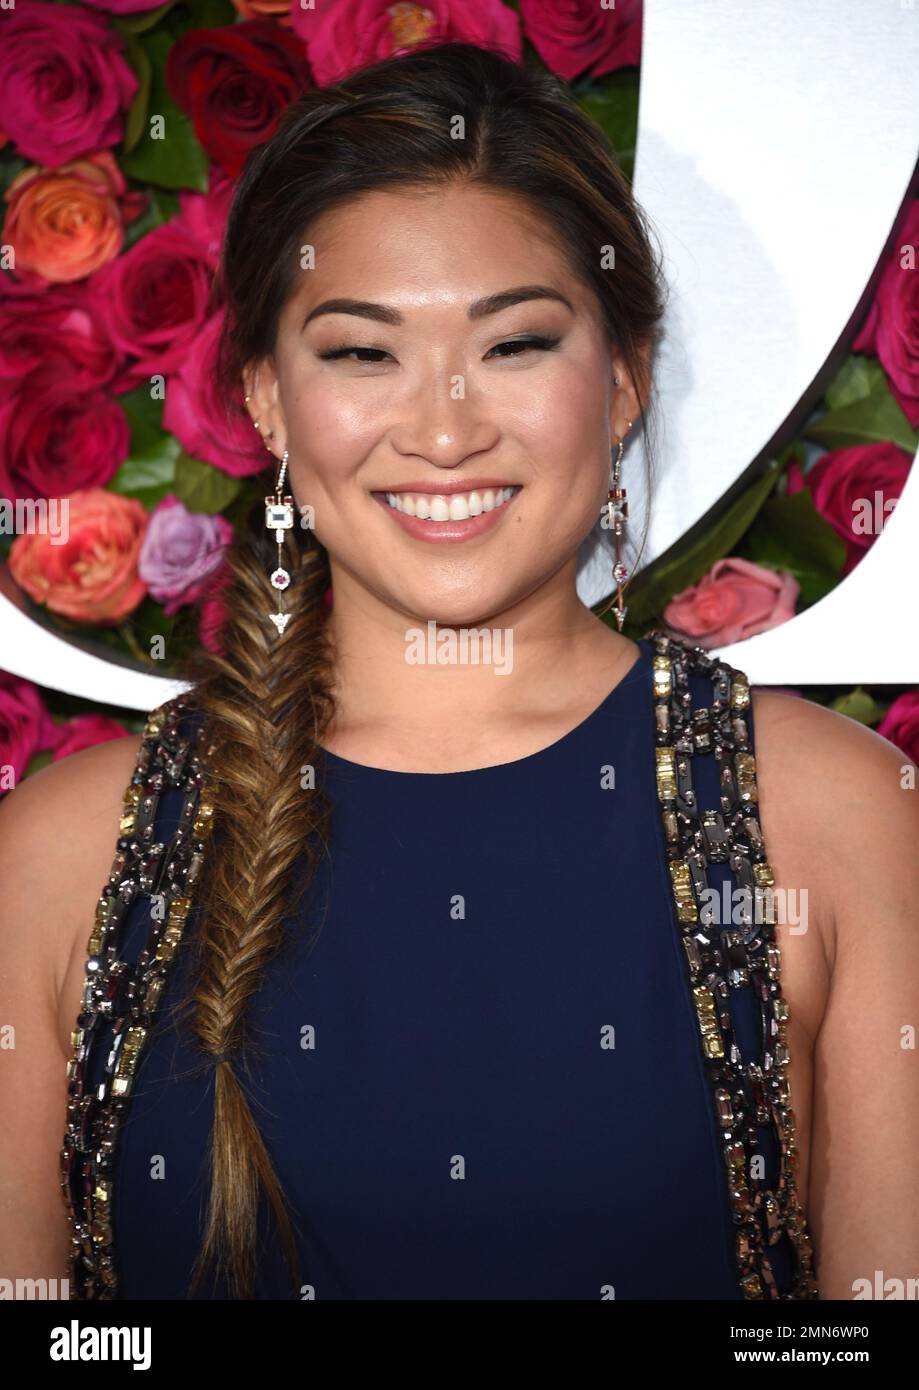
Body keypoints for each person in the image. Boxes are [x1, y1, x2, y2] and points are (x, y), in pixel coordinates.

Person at [1, 41, 917, 1304]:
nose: (442, 430)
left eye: (516, 345)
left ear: (625, 382)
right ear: (266, 401)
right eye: (362, 353)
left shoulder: (834, 817)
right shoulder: (60, 854)